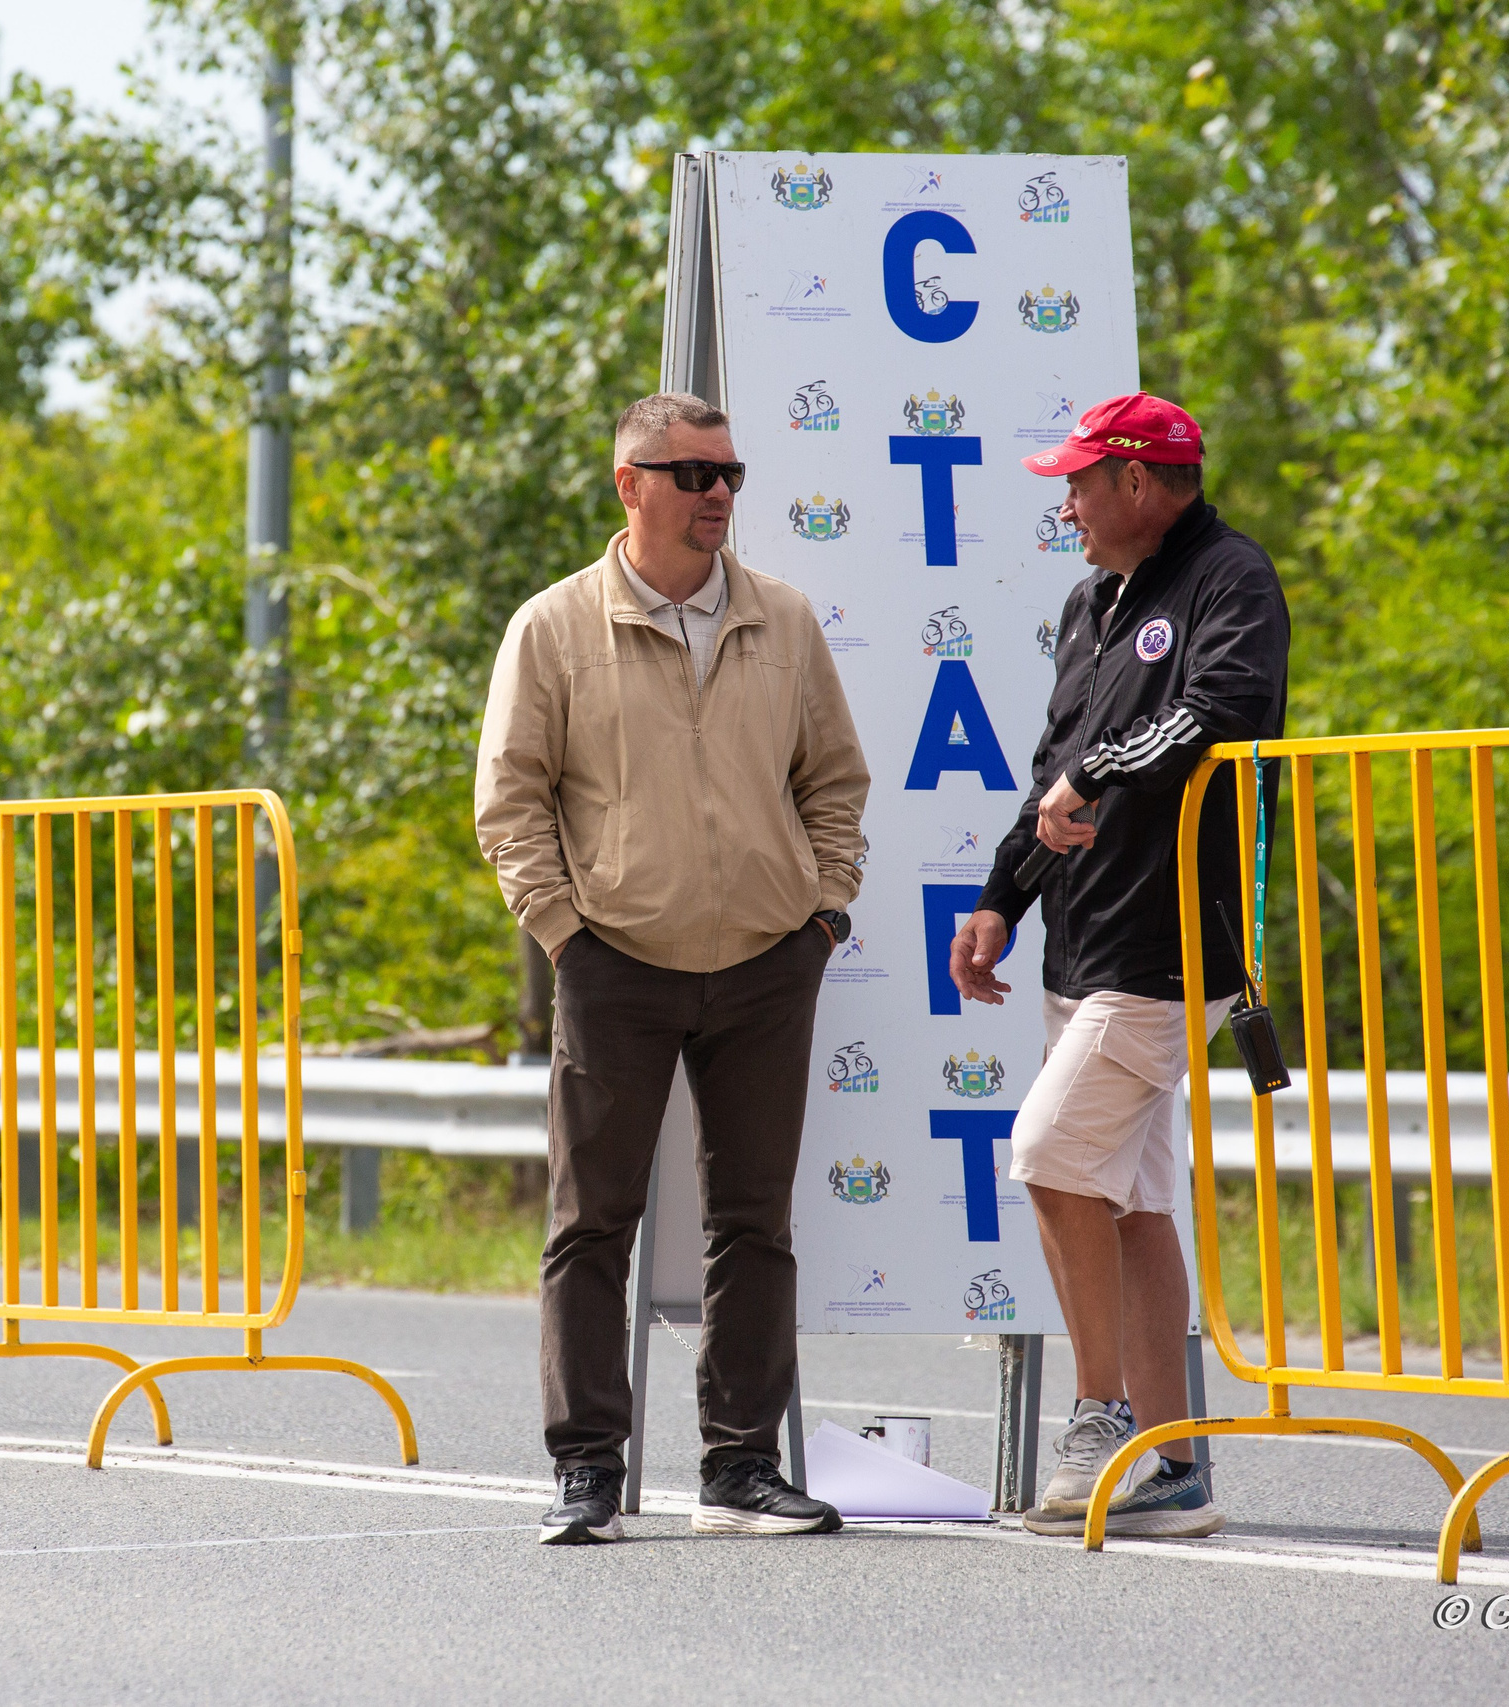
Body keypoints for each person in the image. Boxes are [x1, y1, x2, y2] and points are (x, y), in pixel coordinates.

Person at [475, 391, 871, 1544]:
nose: (717, 496)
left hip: (765, 959)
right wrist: (562, 932)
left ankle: (740, 1470)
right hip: (613, 961)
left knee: (755, 1223)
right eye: (692, 474)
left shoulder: (785, 619)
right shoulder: (552, 627)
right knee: (592, 1221)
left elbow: (833, 781)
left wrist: (824, 913)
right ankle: (586, 1474)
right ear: (628, 485)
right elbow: (510, 799)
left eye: (731, 475)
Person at [950, 391, 1289, 1540]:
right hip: (1076, 946)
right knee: (1135, 1201)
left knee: (1048, 1155)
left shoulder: (1229, 578)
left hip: (1168, 947)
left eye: (1080, 483)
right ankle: (1173, 1465)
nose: (1067, 504)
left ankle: (1100, 1416)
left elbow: (1221, 709)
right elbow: (1054, 767)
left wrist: (1093, 776)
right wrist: (1001, 895)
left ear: (1139, 482)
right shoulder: (1090, 598)